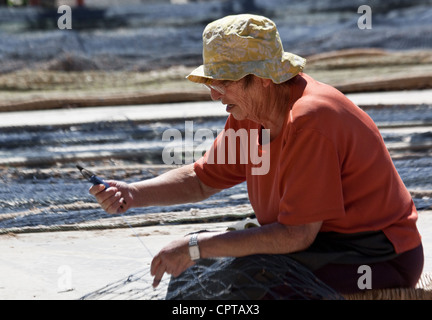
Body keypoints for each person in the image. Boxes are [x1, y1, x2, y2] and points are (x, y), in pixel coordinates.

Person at [89, 14, 423, 296]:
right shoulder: (249, 115)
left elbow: (297, 234)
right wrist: (132, 193)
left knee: (246, 286)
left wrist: (195, 244)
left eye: (224, 82)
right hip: (313, 243)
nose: (213, 94)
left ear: (262, 78)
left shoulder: (309, 120)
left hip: (372, 255)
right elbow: (201, 180)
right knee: (195, 276)